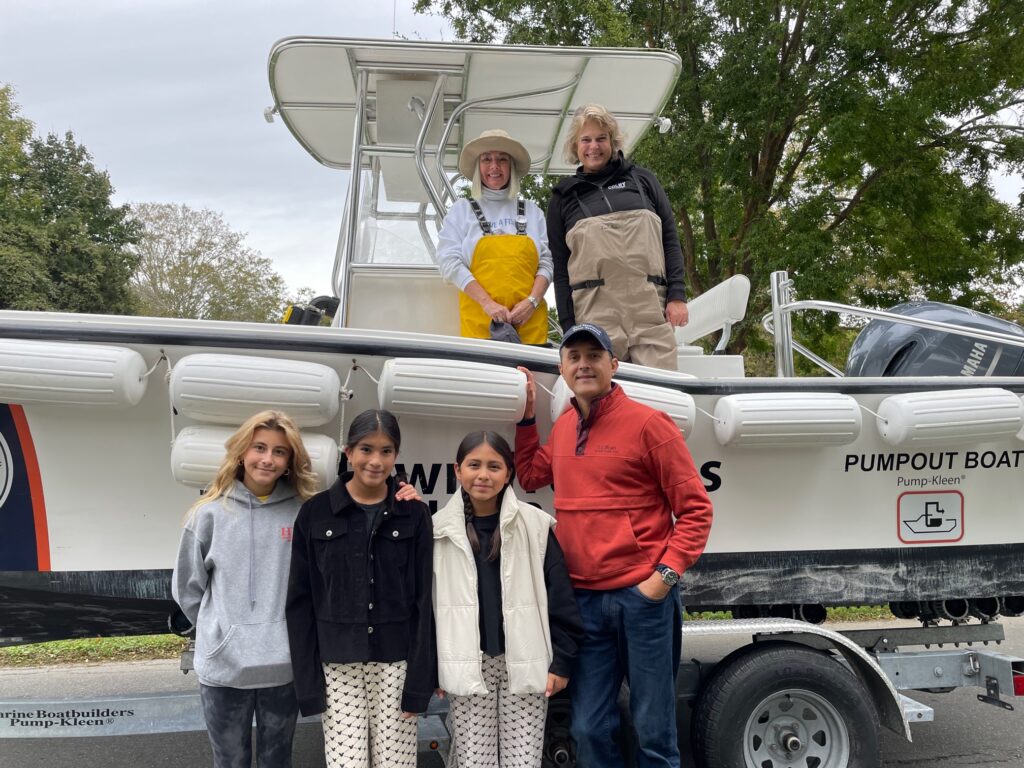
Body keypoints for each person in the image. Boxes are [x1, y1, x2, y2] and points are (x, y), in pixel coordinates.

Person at [515, 323, 714, 768]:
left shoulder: (649, 425)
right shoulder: (565, 427)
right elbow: (530, 476)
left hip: (641, 600)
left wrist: (662, 579)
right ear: (563, 369)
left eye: (594, 355)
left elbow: (696, 510)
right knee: (587, 727)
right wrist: (527, 420)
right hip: (584, 601)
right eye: (573, 357)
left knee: (653, 729)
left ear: (613, 364)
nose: (583, 364)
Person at [285, 409, 435, 768]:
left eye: (386, 451)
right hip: (338, 667)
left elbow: (423, 600)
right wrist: (308, 685)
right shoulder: (316, 514)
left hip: (395, 664)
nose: (376, 460)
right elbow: (300, 603)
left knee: (395, 764)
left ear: (396, 456)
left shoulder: (413, 514)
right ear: (348, 452)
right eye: (366, 449)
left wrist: (418, 684)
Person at [172, 410, 318, 768]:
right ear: (242, 453)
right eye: (259, 448)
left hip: (283, 667)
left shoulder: (303, 514)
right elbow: (188, 589)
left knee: (276, 761)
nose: (267, 459)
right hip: (224, 669)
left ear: (290, 462)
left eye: (279, 451)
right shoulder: (208, 514)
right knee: (231, 762)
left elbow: (312, 587)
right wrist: (218, 629)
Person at [432, 431, 583, 767]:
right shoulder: (438, 530)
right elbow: (428, 608)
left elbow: (561, 598)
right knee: (474, 760)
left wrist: (562, 661)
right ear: (458, 470)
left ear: (509, 473)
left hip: (525, 662)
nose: (483, 474)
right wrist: (433, 668)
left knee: (522, 761)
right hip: (468, 665)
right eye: (474, 465)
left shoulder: (535, 525)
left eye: (494, 466)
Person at [547, 104, 689, 370]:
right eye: (585, 140)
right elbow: (560, 268)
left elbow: (670, 238)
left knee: (661, 395)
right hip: (595, 312)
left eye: (601, 138)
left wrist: (677, 295)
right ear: (575, 147)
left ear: (613, 141)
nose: (594, 146)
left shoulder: (643, 180)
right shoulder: (562, 199)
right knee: (602, 401)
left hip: (649, 306)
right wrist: (569, 328)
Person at [435, 128, 553, 344]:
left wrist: (532, 302)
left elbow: (546, 263)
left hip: (531, 326)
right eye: (486, 159)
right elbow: (449, 262)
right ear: (478, 167)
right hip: (481, 329)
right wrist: (487, 303)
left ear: (512, 166)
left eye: (502, 159)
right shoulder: (462, 210)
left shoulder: (532, 211)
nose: (494, 166)